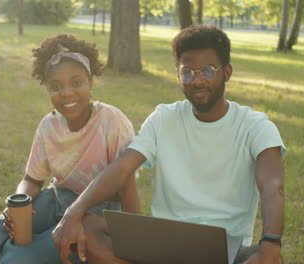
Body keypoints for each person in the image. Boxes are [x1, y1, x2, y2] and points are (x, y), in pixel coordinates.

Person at [52, 25, 286, 264]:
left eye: (207, 70)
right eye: (187, 72)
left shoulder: (256, 126)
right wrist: (74, 212)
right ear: (178, 75)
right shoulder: (164, 118)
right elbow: (122, 168)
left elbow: (272, 185)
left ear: (226, 72)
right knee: (88, 226)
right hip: (162, 242)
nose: (197, 81)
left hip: (226, 248)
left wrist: (270, 244)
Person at [0, 34, 140, 264]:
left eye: (77, 82)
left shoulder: (112, 121)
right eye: (55, 86)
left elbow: (127, 182)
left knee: (16, 260)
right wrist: (19, 204)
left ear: (91, 82)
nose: (67, 93)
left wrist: (132, 237)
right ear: (47, 88)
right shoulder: (49, 125)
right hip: (56, 200)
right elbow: (32, 179)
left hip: (94, 214)